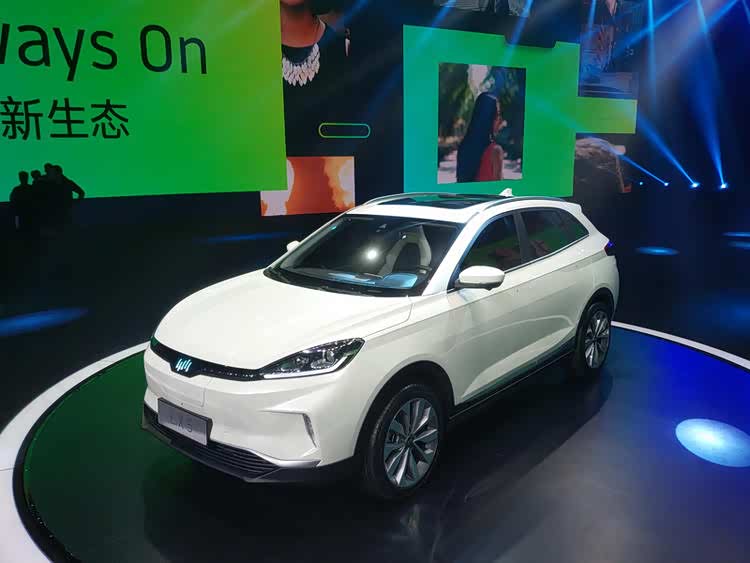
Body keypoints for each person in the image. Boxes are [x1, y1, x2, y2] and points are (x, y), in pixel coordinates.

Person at [456, 92, 506, 183]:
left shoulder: (463, 147)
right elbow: (498, 188)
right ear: (489, 117)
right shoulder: (495, 151)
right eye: (497, 114)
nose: (500, 119)